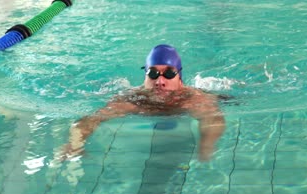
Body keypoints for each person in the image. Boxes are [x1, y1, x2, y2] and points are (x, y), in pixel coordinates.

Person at [61, 44, 226, 161]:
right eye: (153, 73)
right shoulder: (132, 99)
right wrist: (75, 142)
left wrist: (207, 145)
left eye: (169, 74)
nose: (160, 81)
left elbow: (213, 119)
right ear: (145, 77)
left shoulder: (193, 98)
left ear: (180, 78)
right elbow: (92, 119)